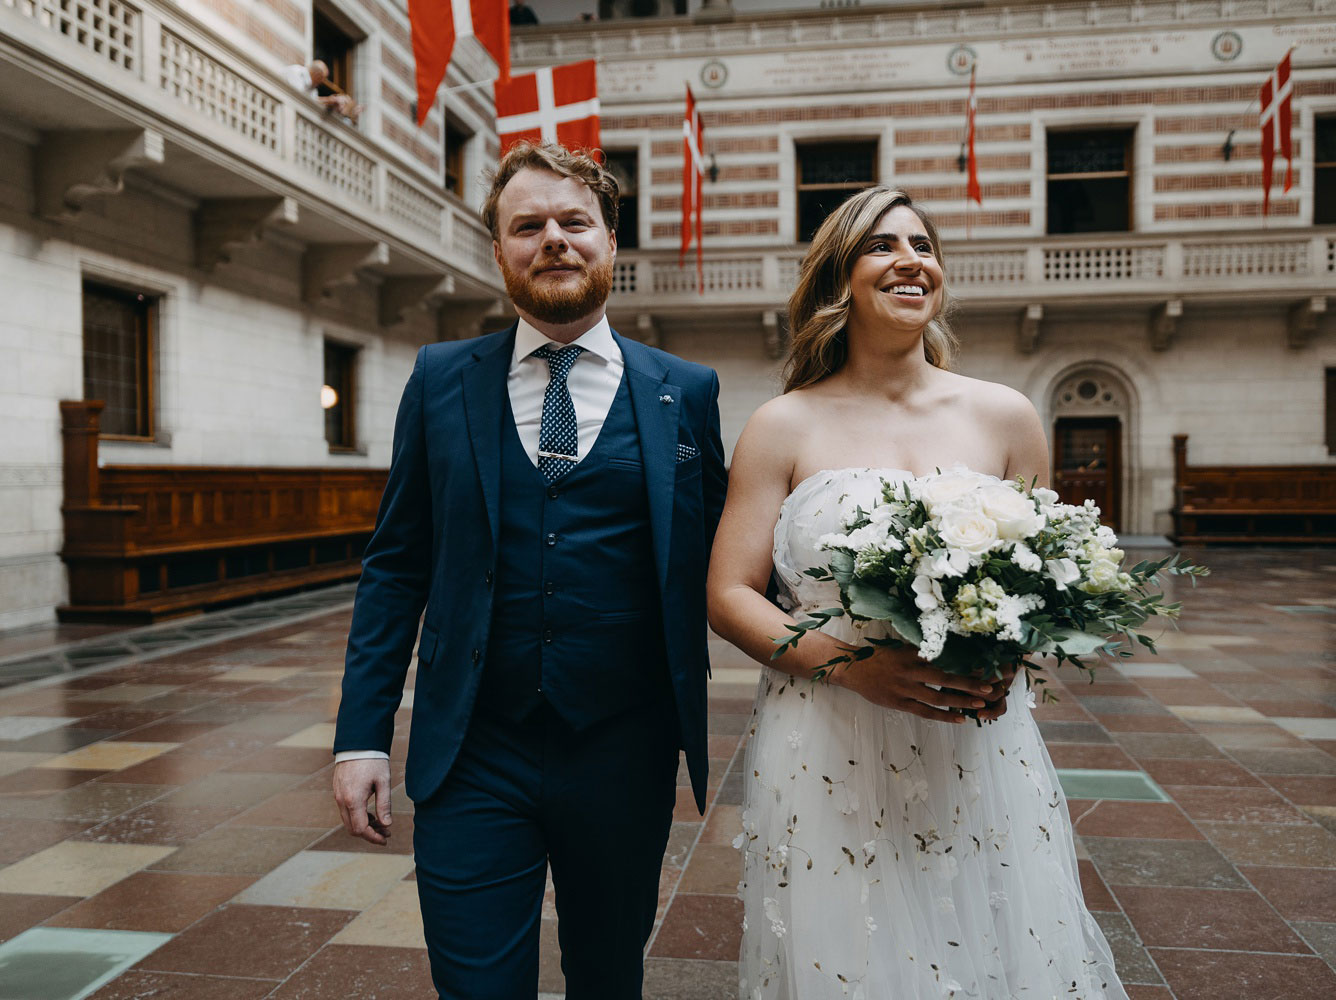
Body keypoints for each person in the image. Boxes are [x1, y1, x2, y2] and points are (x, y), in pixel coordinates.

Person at [707, 187, 1128, 999]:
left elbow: (1049, 575)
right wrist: (847, 664)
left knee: (990, 943)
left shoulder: (1005, 416)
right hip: (828, 727)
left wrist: (1007, 643)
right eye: (881, 245)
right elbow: (729, 593)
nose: (911, 260)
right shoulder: (781, 425)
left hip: (969, 733)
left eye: (924, 245)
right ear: (840, 280)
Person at [332, 141, 726, 998]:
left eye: (573, 221)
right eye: (528, 226)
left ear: (610, 242)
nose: (553, 238)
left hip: (624, 745)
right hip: (473, 745)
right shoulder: (441, 378)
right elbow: (397, 567)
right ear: (501, 250)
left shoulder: (685, 391)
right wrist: (362, 735)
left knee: (607, 976)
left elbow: (732, 561)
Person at [284, 59, 359, 121]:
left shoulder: (313, 90)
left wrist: (331, 101)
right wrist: (329, 100)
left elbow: (314, 101)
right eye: (322, 79)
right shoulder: (296, 72)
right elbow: (299, 98)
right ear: (317, 75)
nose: (321, 83)